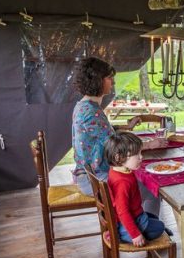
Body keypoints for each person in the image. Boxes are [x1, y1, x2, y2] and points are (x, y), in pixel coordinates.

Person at [71, 57, 166, 197]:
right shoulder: (91, 112)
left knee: (142, 180)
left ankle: (139, 217)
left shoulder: (85, 106)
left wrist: (126, 126)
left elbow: (102, 132)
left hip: (90, 174)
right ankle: (141, 219)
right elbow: (116, 145)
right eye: (109, 78)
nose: (113, 82)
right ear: (98, 80)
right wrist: (151, 144)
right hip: (94, 179)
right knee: (150, 188)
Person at [103, 132, 166, 246]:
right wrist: (135, 235)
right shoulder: (122, 182)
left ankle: (131, 229)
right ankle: (123, 234)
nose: (141, 157)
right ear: (118, 157)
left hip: (136, 214)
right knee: (160, 227)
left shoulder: (117, 170)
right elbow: (122, 211)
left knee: (154, 218)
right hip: (126, 222)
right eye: (137, 154)